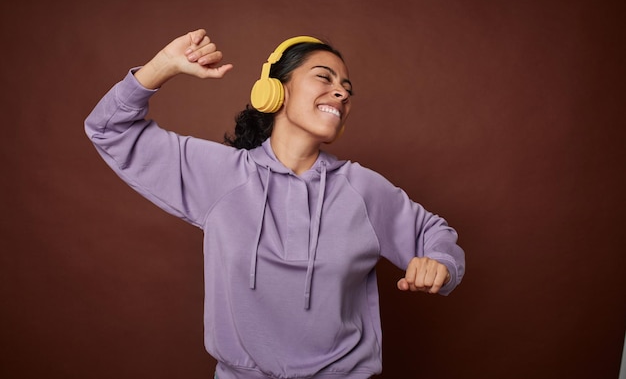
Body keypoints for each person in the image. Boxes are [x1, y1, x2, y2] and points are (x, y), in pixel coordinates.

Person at [85, 29, 465, 379]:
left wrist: (440, 264)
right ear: (274, 90)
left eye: (347, 87)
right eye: (324, 77)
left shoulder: (361, 188)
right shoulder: (221, 176)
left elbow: (435, 235)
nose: (343, 93)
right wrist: (163, 65)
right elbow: (109, 128)